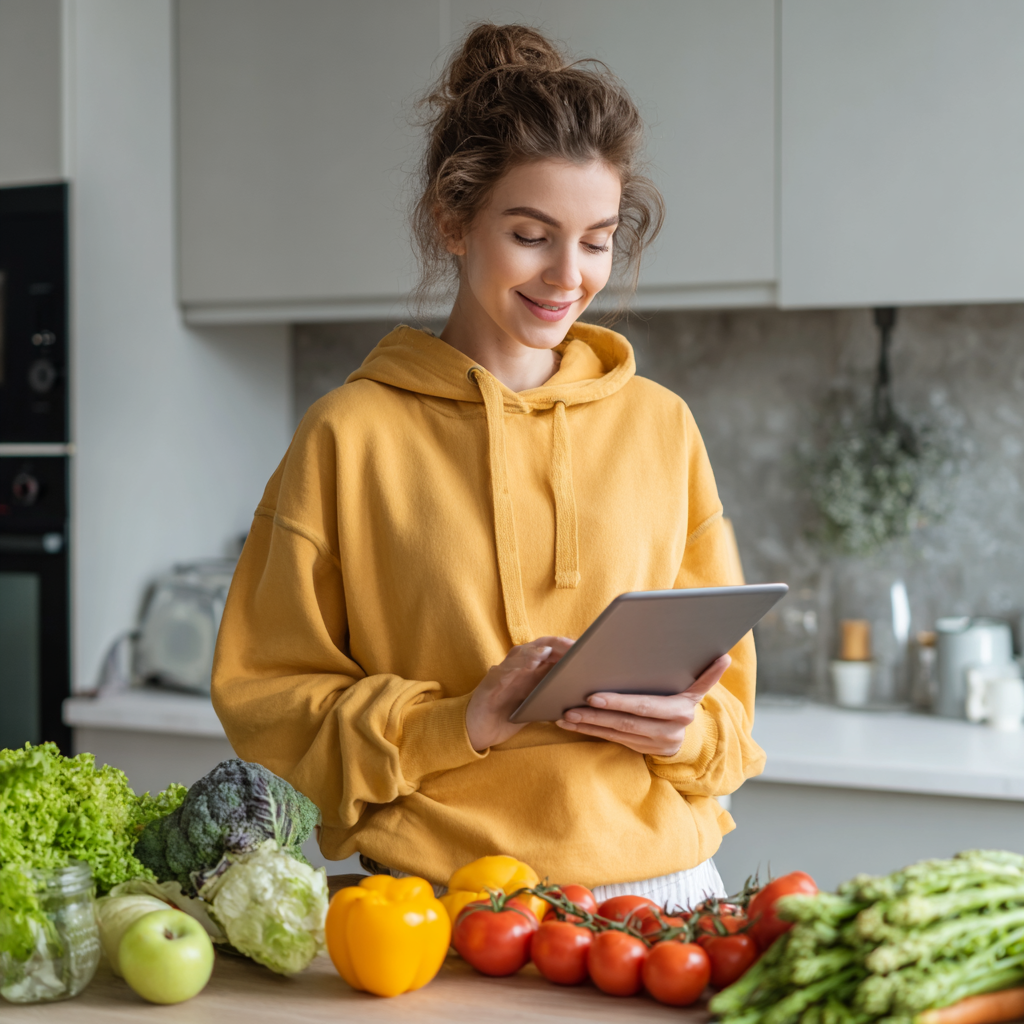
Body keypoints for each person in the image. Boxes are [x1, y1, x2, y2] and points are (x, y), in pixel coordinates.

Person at [212, 22, 765, 909]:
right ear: (454, 221)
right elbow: (266, 704)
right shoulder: (348, 434)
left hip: (665, 901)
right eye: (531, 233)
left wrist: (686, 734)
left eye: (597, 238)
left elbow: (731, 706)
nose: (568, 274)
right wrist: (457, 721)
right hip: (434, 904)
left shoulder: (663, 426)